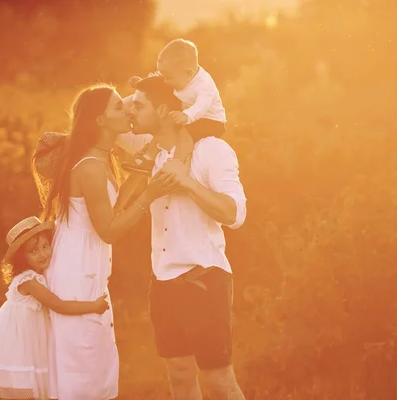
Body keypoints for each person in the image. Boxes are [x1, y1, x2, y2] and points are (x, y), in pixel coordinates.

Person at [32, 84, 174, 400]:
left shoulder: (99, 160)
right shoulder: (92, 167)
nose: (127, 112)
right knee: (80, 369)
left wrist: (143, 171)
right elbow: (108, 230)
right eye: (118, 108)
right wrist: (150, 195)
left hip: (86, 271)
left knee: (92, 363)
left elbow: (114, 206)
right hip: (75, 274)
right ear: (99, 120)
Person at [128, 75, 247, 400]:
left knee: (219, 380)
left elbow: (235, 214)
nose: (131, 111)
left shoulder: (212, 150)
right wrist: (150, 82)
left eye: (139, 105)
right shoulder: (146, 150)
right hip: (163, 283)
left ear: (164, 111)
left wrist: (189, 184)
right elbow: (111, 113)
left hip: (204, 281)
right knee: (179, 376)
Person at [0, 216, 109, 400]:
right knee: (23, 389)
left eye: (45, 246)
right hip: (20, 344)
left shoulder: (38, 275)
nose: (43, 254)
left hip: (31, 340)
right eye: (34, 251)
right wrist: (93, 306)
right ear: (22, 258)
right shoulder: (29, 281)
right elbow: (58, 305)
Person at [123, 38, 226, 175]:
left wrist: (187, 116)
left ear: (188, 73)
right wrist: (142, 83)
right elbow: (159, 83)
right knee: (159, 137)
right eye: (164, 75)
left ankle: (178, 165)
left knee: (184, 134)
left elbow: (202, 106)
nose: (165, 81)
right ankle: (148, 160)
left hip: (210, 120)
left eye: (168, 77)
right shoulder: (180, 76)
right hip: (191, 115)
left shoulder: (204, 86)